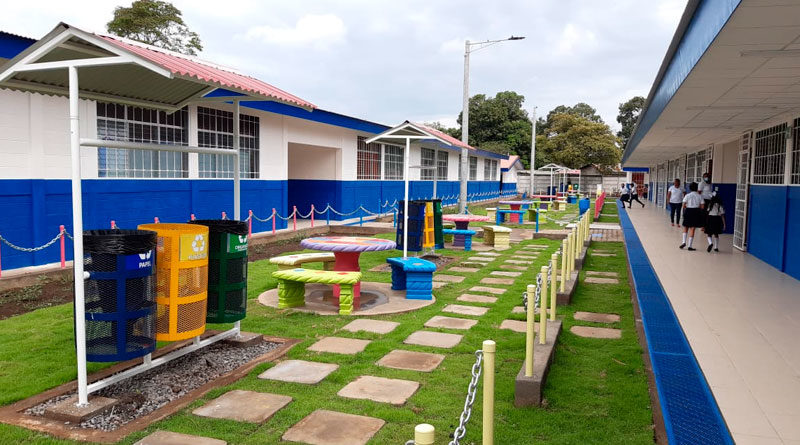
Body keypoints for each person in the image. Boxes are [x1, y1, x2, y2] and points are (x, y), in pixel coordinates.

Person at [680, 182, 704, 251]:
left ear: (690, 188)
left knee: (685, 227)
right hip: (696, 211)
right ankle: (690, 246)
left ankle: (683, 242)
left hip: (688, 211)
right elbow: (702, 207)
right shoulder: (700, 196)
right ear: (697, 188)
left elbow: (684, 205)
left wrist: (687, 206)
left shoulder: (687, 195)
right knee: (692, 229)